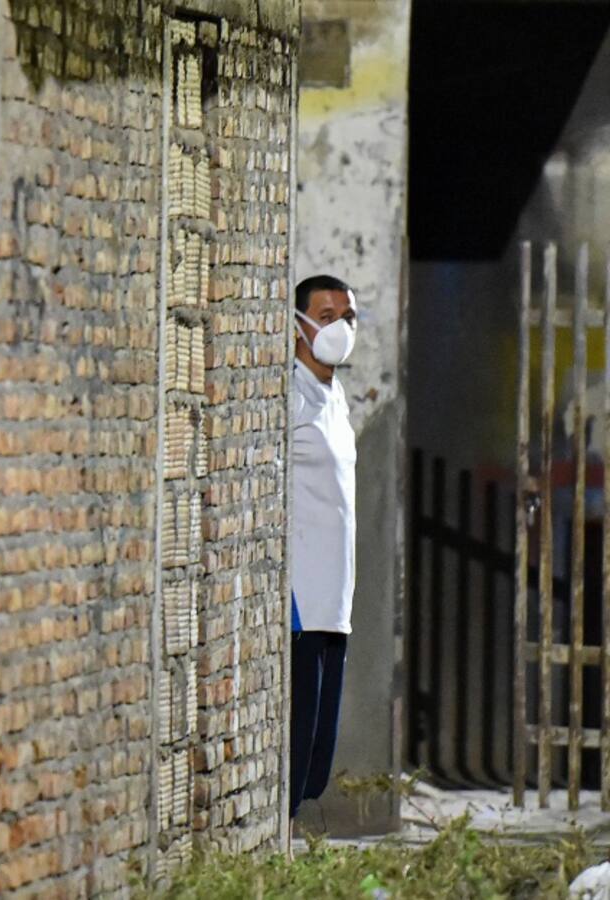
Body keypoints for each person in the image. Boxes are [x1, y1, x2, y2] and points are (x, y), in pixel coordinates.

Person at [288, 274, 359, 825]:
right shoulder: (290, 397)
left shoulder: (335, 398)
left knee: (317, 762)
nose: (340, 329)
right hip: (301, 606)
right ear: (301, 327)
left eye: (348, 318)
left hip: (335, 606)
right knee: (294, 757)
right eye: (328, 316)